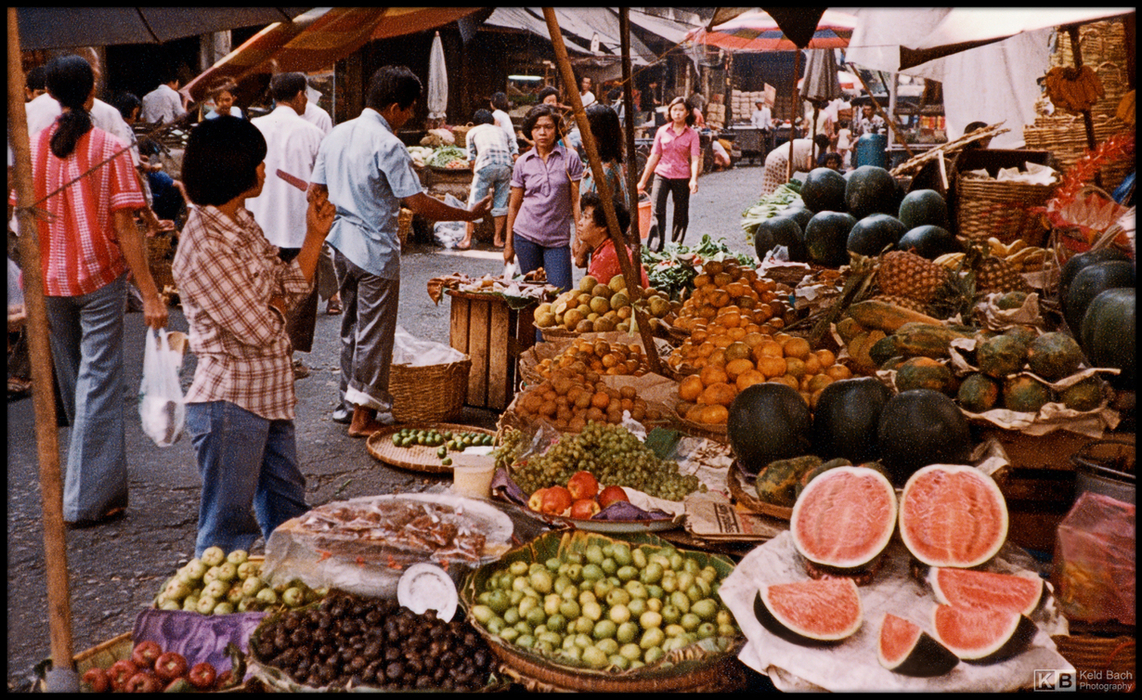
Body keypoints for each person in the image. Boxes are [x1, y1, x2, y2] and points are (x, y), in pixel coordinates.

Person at [171, 115, 336, 557]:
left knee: (289, 513)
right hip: (231, 403)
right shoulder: (204, 244)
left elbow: (289, 287)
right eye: (258, 162)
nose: (264, 170)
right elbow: (260, 329)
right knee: (226, 534)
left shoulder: (241, 222)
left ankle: (293, 597)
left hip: (269, 394)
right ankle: (216, 623)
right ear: (234, 167)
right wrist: (275, 305)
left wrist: (314, 237)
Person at [21, 55, 168, 527]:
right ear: (91, 92)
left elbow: (22, 217)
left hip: (49, 279)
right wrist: (149, 292)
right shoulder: (108, 146)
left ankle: (90, 485)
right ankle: (87, 498)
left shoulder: (35, 145)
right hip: (98, 275)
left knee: (78, 382)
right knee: (96, 385)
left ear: (49, 92)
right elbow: (126, 227)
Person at [309, 65, 491, 435]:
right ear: (395, 108)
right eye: (408, 110)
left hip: (341, 245)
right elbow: (418, 203)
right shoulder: (387, 144)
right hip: (374, 250)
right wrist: (467, 213)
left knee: (352, 328)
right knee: (374, 334)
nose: (407, 118)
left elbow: (316, 192)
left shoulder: (337, 134)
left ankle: (348, 405)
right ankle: (363, 417)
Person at [245, 73, 327, 379]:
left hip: (259, 224)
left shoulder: (253, 128)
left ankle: (261, 356)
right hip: (298, 228)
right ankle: (286, 359)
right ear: (300, 95)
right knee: (297, 295)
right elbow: (322, 185)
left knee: (260, 292)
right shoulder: (311, 133)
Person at [504, 103, 583, 302]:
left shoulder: (570, 158)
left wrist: (579, 238)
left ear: (557, 130)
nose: (542, 132)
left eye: (548, 127)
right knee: (532, 297)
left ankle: (551, 335)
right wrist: (508, 245)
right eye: (537, 128)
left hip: (557, 240)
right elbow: (514, 205)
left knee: (562, 297)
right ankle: (535, 335)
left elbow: (576, 201)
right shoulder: (522, 162)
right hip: (525, 236)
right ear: (530, 131)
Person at [637, 96, 700, 252]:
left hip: (682, 176)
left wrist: (693, 179)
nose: (677, 113)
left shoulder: (692, 134)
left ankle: (675, 247)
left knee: (681, 213)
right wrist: (643, 180)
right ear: (670, 111)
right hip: (662, 174)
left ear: (687, 113)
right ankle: (655, 248)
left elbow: (695, 159)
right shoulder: (662, 131)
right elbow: (654, 156)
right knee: (657, 210)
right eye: (674, 110)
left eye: (681, 110)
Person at [459, 109, 513, 250]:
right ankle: (498, 239)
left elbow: (471, 159)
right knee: (501, 202)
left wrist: (476, 174)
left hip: (485, 165)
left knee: (474, 202)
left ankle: (467, 239)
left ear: (475, 123)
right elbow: (512, 150)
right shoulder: (502, 131)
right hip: (506, 166)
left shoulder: (472, 132)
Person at [572, 191, 649, 286]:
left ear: (603, 227)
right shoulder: (609, 248)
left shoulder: (606, 257)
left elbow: (596, 295)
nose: (580, 222)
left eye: (586, 217)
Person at [580, 103, 627, 206]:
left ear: (602, 135)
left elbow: (596, 217)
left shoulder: (605, 172)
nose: (582, 138)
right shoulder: (595, 163)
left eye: (588, 132)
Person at [759, 133, 830, 197]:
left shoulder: (806, 142)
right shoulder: (815, 146)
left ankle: (764, 204)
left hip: (772, 157)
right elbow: (809, 166)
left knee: (770, 187)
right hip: (781, 160)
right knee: (784, 190)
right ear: (823, 147)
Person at [490, 91, 519, 160]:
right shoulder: (505, 115)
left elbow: (496, 133)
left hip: (503, 148)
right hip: (511, 146)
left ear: (493, 103)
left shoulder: (495, 115)